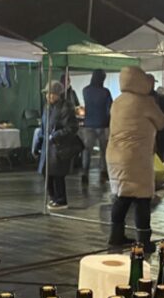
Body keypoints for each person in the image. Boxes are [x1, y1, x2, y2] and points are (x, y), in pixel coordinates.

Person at [105, 66, 164, 249]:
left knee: (122, 196)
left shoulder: (117, 101)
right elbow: (162, 122)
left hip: (115, 154)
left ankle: (116, 236)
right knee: (142, 198)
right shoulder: (145, 102)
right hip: (135, 157)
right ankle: (144, 240)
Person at [39, 80, 79, 210]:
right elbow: (43, 126)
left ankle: (61, 200)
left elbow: (72, 127)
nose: (49, 96)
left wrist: (55, 135)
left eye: (52, 93)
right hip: (47, 146)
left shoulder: (65, 107)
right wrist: (39, 141)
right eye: (47, 93)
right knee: (47, 173)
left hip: (58, 146)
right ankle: (53, 198)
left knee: (57, 174)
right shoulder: (47, 107)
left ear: (58, 94)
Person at [80, 68, 112, 186]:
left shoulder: (85, 91)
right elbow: (110, 108)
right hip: (103, 124)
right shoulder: (105, 92)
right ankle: (103, 172)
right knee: (104, 151)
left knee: (87, 150)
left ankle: (84, 173)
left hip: (88, 124)